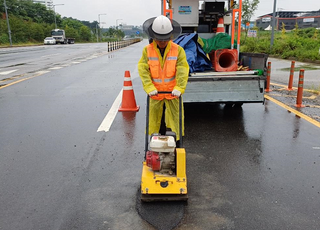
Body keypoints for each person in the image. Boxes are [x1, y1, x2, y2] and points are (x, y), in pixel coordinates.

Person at [138, 15, 189, 144]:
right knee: (155, 124)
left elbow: (182, 70)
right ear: (154, 36)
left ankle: (176, 147)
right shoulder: (147, 51)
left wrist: (179, 88)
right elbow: (143, 70)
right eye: (159, 39)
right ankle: (154, 150)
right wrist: (149, 87)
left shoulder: (178, 50)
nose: (162, 42)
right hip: (155, 95)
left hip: (173, 94)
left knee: (175, 124)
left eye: (165, 39)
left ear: (170, 36)